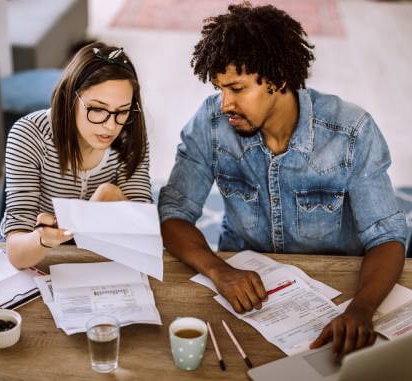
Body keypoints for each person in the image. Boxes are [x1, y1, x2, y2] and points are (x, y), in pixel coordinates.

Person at [158, 3, 406, 360]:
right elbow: (174, 213)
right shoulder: (210, 125)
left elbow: (386, 238)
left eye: (237, 89)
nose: (224, 103)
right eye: (219, 88)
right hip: (242, 287)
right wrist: (219, 270)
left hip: (338, 292)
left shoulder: (351, 132)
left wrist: (361, 309)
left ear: (278, 80)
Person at [2, 42, 152, 269]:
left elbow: (144, 239)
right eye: (97, 109)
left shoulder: (130, 135)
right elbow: (15, 253)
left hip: (97, 260)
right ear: (69, 98)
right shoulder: (29, 134)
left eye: (122, 111)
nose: (111, 126)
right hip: (39, 259)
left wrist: (115, 197)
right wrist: (44, 239)